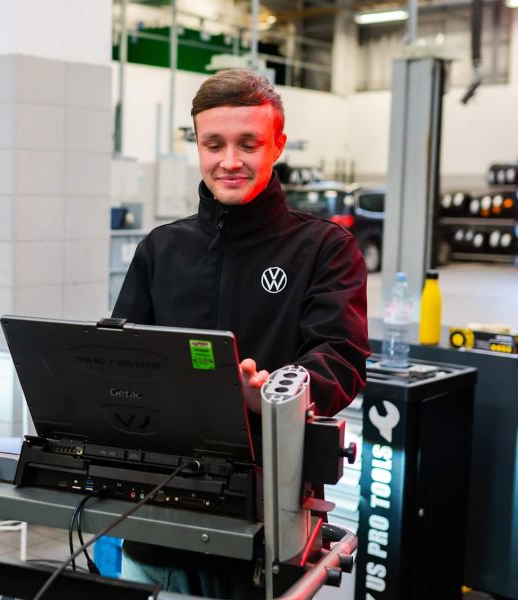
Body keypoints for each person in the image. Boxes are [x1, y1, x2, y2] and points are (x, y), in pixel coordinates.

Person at [112, 69, 370, 598]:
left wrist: (278, 395)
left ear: (277, 144)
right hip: (158, 517)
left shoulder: (324, 249)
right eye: (215, 144)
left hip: (268, 519)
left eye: (248, 143)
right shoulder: (161, 250)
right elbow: (123, 353)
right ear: (198, 146)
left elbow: (341, 356)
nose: (230, 160)